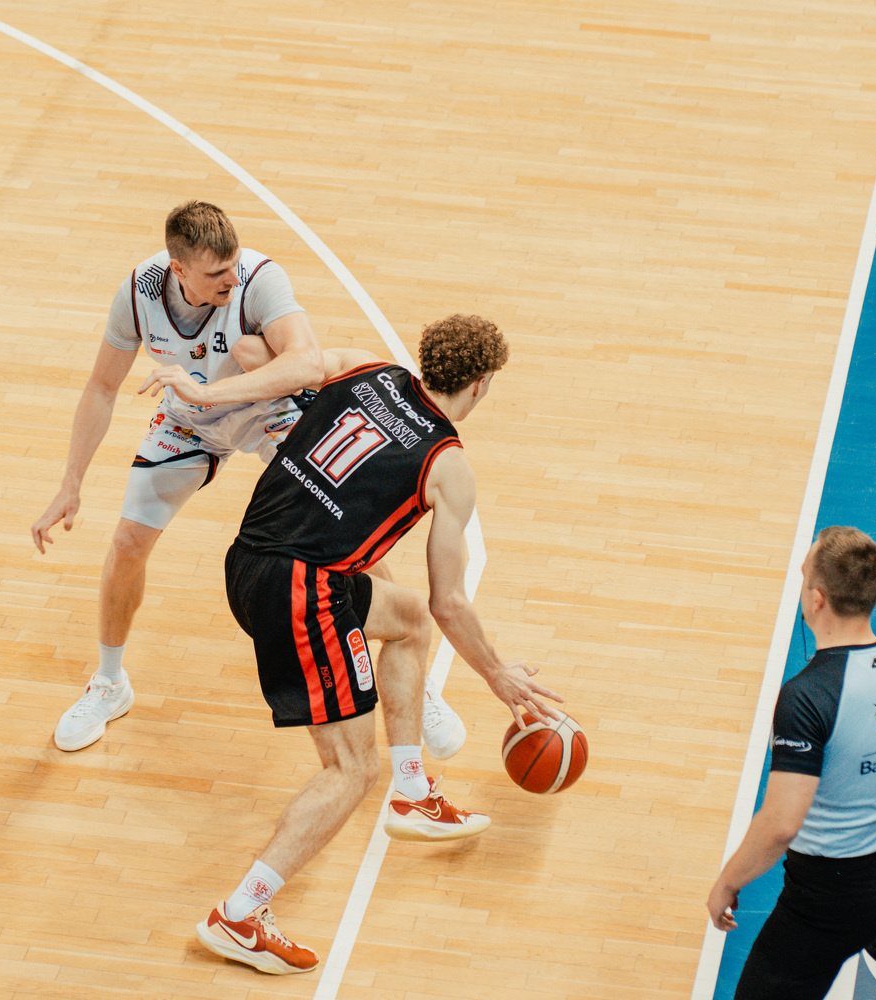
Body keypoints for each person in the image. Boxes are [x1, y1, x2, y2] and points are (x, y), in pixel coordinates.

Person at [195, 315, 565, 975]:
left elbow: (290, 362)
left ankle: (412, 791)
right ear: (480, 384)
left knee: (410, 617)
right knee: (350, 771)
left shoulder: (366, 368)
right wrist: (498, 675)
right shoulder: (448, 465)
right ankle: (240, 915)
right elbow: (453, 600)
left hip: (247, 561)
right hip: (302, 593)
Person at [30, 201, 466, 756]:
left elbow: (307, 364)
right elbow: (101, 387)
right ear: (178, 268)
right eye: (216, 273)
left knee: (339, 525)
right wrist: (70, 483)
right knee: (127, 542)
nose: (230, 278)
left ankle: (416, 682)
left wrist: (209, 391)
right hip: (190, 421)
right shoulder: (137, 295)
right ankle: (110, 684)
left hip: (269, 409)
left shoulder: (259, 279)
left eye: (233, 265)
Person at [706, 526, 876, 999]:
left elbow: (781, 825)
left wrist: (728, 880)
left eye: (804, 577)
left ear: (817, 598)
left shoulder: (807, 697)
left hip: (826, 899)